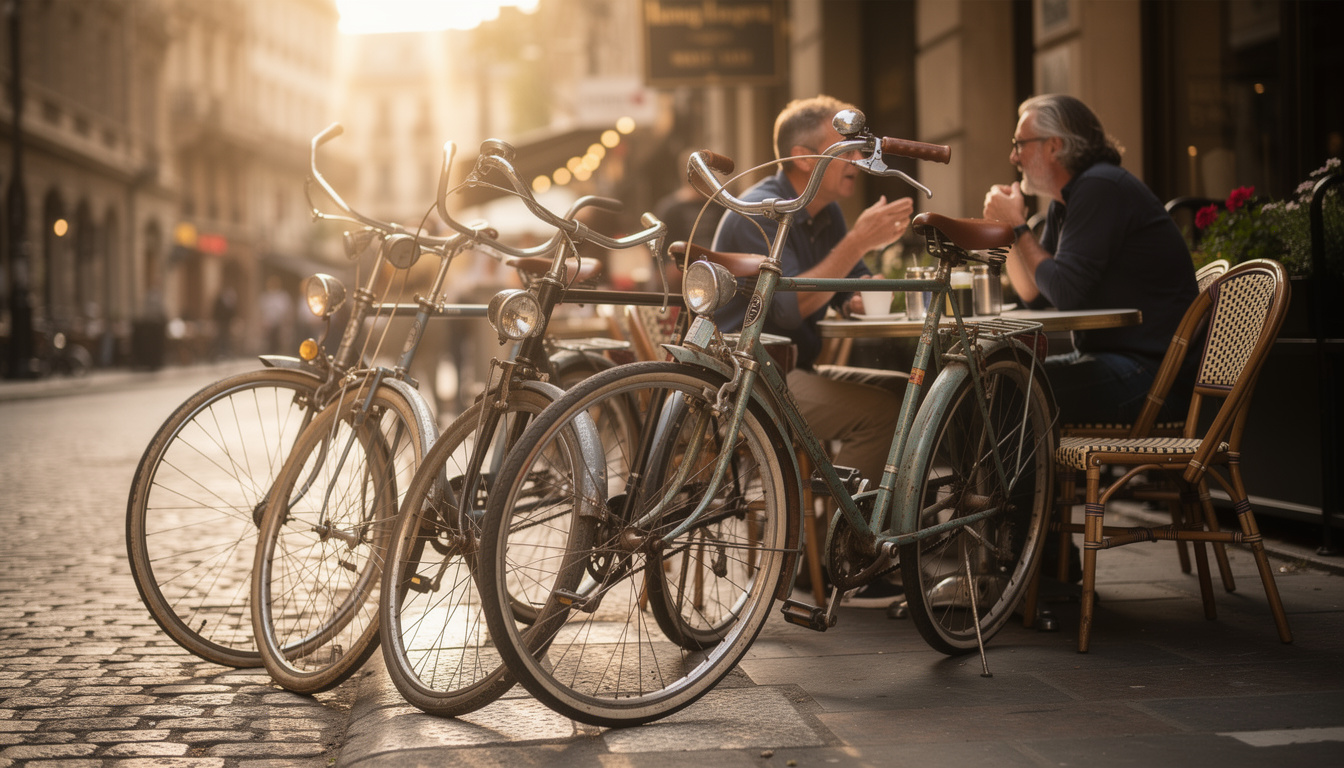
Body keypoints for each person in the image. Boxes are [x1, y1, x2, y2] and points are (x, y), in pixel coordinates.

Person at [713, 95, 913, 608]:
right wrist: (858, 245)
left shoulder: (826, 213)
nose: (859, 161)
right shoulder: (759, 209)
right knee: (885, 414)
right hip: (746, 382)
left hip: (794, 369)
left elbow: (854, 284)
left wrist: (858, 287)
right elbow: (782, 313)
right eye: (846, 149)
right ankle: (836, 561)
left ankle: (843, 541)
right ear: (805, 159)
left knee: (906, 394)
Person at [983, 94, 1198, 427]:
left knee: (1012, 391)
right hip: (1112, 360)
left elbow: (1065, 292)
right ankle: (1020, 481)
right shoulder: (1064, 201)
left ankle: (1027, 482)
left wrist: (1019, 225)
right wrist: (1005, 229)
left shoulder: (1101, 186)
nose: (1013, 156)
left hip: (1154, 375)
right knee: (994, 381)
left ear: (1054, 146)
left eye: (1019, 143)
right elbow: (1037, 295)